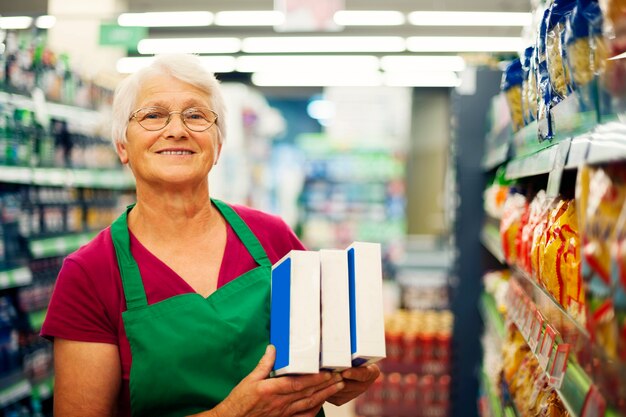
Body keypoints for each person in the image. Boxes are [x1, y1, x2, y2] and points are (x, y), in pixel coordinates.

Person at [40, 53, 380, 417]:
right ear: (122, 145)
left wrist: (344, 377)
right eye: (153, 115)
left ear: (218, 145)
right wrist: (232, 413)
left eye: (196, 115)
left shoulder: (273, 238)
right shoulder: (90, 273)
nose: (177, 130)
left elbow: (329, 354)